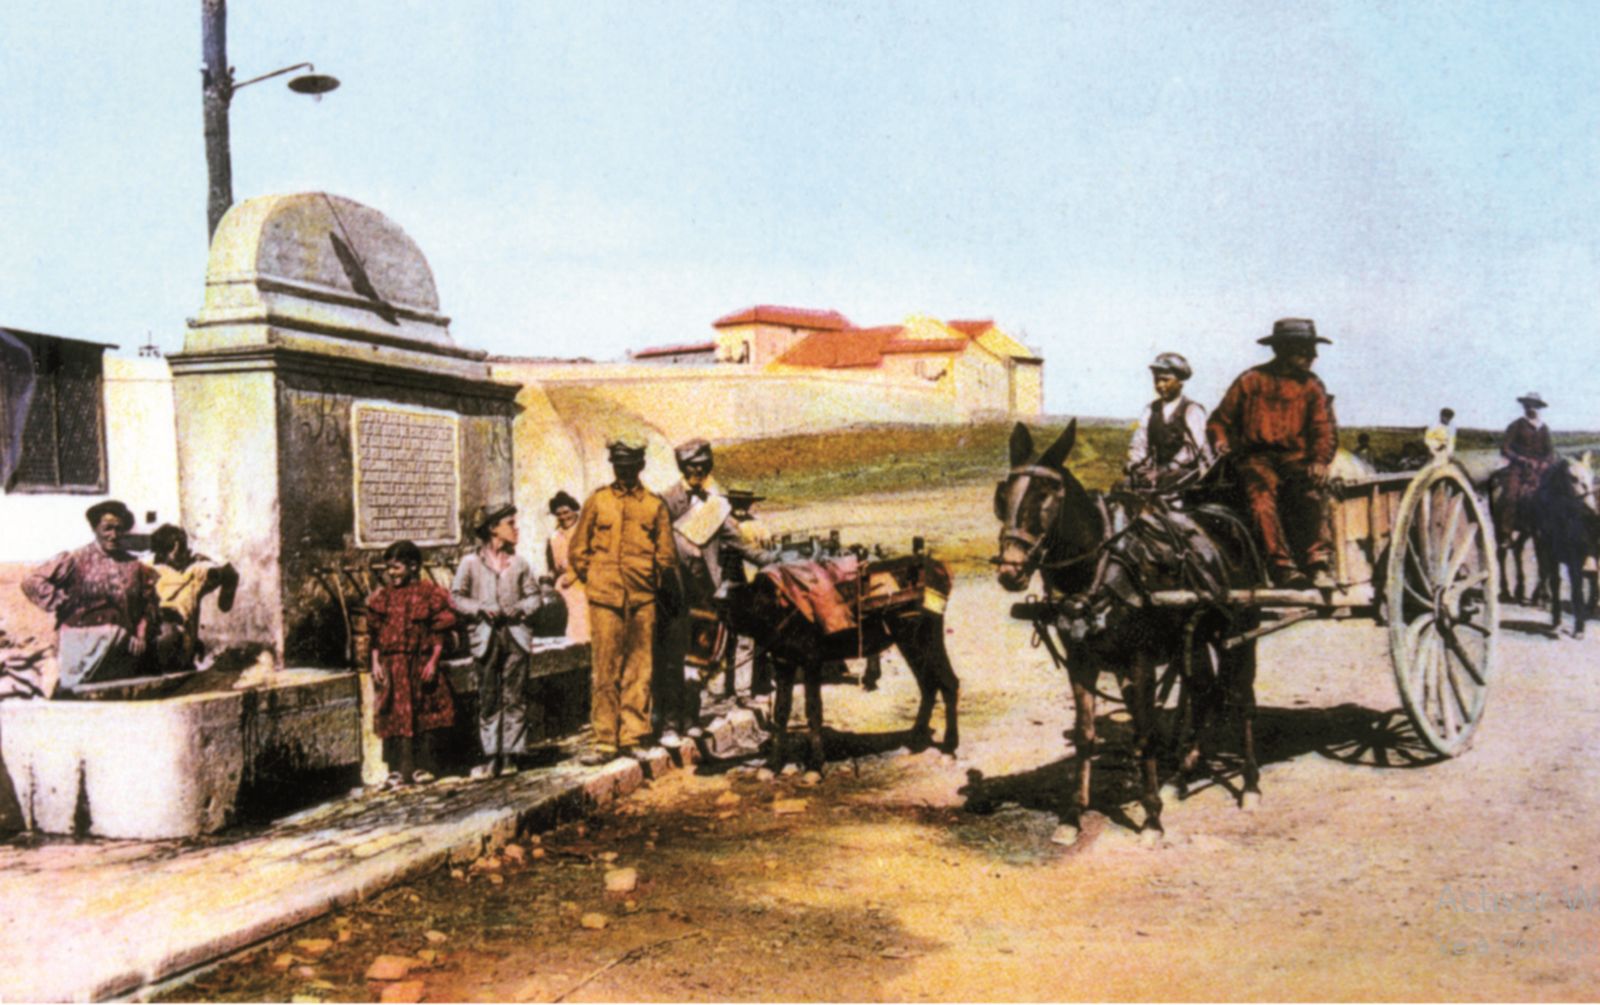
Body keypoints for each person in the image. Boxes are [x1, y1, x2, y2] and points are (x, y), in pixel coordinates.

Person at [1207, 318, 1338, 590]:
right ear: (1282, 350)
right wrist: (1220, 442)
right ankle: (1282, 568)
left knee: (1311, 493)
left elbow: (1323, 429)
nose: (1312, 356)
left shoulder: (1312, 386)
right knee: (1261, 499)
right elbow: (1219, 421)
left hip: (1297, 460)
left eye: (1312, 350)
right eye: (1304, 350)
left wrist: (1319, 460)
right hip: (1257, 459)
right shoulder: (1250, 381)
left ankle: (1317, 563)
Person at [570, 436, 678, 764]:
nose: (624, 472)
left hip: (643, 599)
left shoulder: (654, 506)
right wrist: (597, 579)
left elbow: (666, 556)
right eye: (619, 466)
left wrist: (649, 582)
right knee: (605, 670)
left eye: (630, 466)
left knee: (639, 670)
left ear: (640, 466)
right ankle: (605, 740)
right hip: (604, 599)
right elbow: (578, 550)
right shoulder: (597, 501)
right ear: (613, 466)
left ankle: (633, 735)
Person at [452, 503, 556, 778]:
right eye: (510, 523)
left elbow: (534, 597)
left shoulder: (519, 563)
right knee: (488, 697)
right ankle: (491, 756)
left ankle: (511, 755)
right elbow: (457, 597)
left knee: (515, 696)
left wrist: (520, 608)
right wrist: (480, 608)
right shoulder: (470, 563)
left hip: (515, 637)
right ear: (493, 529)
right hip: (485, 637)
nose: (516, 528)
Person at [22, 500, 159, 695]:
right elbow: (31, 581)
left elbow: (148, 604)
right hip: (80, 640)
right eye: (107, 528)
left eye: (119, 529)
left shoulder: (134, 565)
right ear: (95, 529)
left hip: (121, 644)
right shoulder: (75, 559)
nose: (113, 535)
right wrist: (60, 600)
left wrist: (140, 634)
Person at [366, 540, 457, 788]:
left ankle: (423, 767)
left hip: (419, 663)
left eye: (396, 567)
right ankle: (397, 770)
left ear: (413, 566)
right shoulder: (383, 597)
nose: (391, 573)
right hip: (392, 665)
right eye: (388, 568)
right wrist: (375, 663)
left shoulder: (428, 594)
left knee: (423, 711)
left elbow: (439, 631)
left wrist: (434, 661)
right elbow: (375, 635)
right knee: (393, 713)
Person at [149, 524, 238, 673]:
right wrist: (224, 601)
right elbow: (230, 573)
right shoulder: (193, 570)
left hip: (168, 642)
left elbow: (228, 573)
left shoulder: (148, 569)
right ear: (176, 547)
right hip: (171, 639)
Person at [1124, 351, 1212, 495]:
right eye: (1156, 380)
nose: (1160, 385)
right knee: (1126, 487)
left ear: (1180, 382)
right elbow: (1140, 440)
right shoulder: (1151, 409)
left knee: (1165, 488)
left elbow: (1191, 449)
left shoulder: (1192, 410)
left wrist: (1165, 470)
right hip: (1158, 471)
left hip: (1188, 473)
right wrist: (1135, 463)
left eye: (1165, 380)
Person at [1499, 393, 1555, 540]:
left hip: (1539, 469)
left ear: (1539, 408)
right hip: (1519, 468)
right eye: (1529, 405)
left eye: (1535, 406)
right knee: (1511, 495)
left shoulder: (1543, 428)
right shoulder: (1516, 425)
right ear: (1524, 407)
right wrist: (1520, 459)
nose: (1531, 408)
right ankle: (1506, 533)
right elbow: (1505, 448)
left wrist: (1545, 463)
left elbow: (1550, 452)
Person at [544, 491, 589, 644]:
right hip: (562, 586)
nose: (563, 517)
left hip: (583, 582)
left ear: (574, 511)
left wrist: (575, 575)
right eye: (559, 514)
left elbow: (593, 559)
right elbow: (552, 567)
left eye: (566, 512)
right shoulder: (554, 537)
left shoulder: (584, 531)